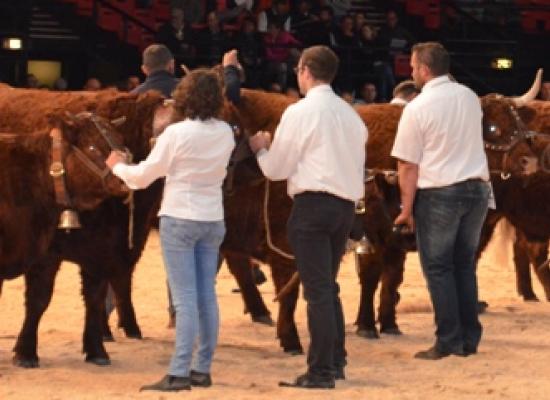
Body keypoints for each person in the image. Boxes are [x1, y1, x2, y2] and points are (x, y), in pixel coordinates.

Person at [106, 68, 235, 391]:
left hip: (179, 216)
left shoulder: (175, 134)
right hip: (212, 217)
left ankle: (178, 371)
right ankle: (201, 368)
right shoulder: (225, 132)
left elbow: (142, 177)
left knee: (185, 298)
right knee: (206, 294)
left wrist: (117, 166)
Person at [248, 45, 367, 388]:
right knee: (327, 288)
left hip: (312, 207)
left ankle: (321, 371)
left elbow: (276, 170)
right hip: (344, 207)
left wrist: (261, 149)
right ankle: (336, 360)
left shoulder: (299, 112)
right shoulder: (352, 116)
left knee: (317, 292)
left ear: (304, 71)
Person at [391, 42, 490, 360]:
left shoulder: (417, 107)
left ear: (424, 69)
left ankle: (448, 339)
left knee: (438, 267)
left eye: (412, 67)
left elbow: (407, 164)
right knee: (463, 264)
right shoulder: (470, 97)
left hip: (440, 192)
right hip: (477, 190)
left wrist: (406, 208)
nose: (410, 73)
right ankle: (469, 338)